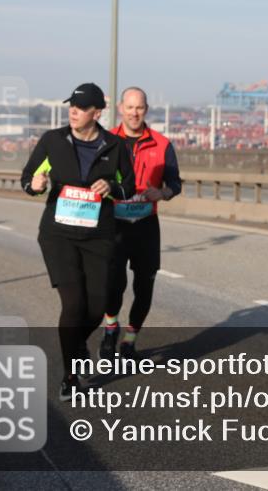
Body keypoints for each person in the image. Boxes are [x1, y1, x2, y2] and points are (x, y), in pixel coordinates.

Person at [20, 83, 135, 400]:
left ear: (97, 113)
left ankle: (75, 343)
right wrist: (36, 184)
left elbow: (131, 187)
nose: (73, 111)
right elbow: (28, 178)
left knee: (97, 307)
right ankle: (71, 374)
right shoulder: (53, 141)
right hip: (58, 233)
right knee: (74, 304)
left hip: (98, 235)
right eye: (71, 105)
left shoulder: (114, 146)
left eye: (81, 107)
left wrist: (111, 186)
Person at [100, 87, 182, 362]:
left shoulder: (162, 144)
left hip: (146, 225)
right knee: (113, 284)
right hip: (114, 224)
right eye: (130, 107)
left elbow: (175, 183)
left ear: (146, 110)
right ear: (121, 108)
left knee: (144, 287)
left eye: (140, 108)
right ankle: (111, 327)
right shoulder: (106, 141)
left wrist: (163, 193)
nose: (134, 113)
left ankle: (130, 340)